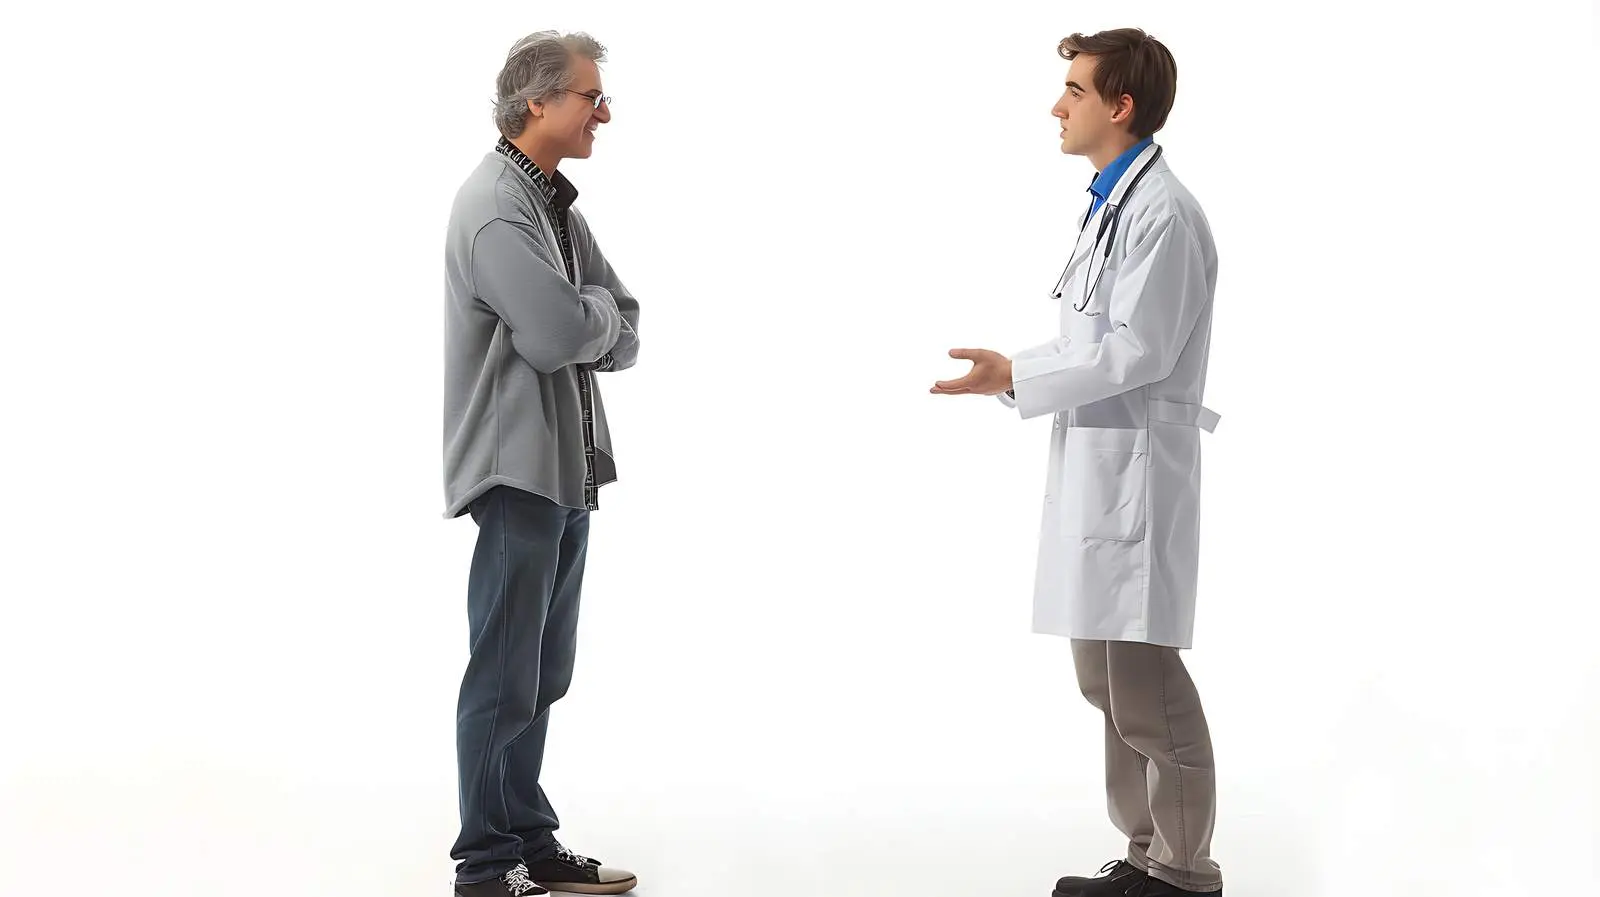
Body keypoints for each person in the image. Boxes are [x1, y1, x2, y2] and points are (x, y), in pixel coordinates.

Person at [930, 28, 1225, 897]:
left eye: (1074, 90)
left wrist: (1017, 373)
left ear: (1118, 106)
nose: (1058, 107)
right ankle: (1143, 853)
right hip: (1101, 465)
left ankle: (1184, 870)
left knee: (1147, 688)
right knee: (1104, 682)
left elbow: (1136, 349)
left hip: (1135, 474)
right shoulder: (1112, 203)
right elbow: (1091, 338)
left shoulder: (1164, 214)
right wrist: (1015, 376)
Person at [441, 29, 640, 897]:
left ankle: (528, 835)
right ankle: (485, 863)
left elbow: (625, 322)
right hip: (516, 472)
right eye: (590, 96)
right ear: (537, 104)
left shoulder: (554, 206)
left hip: (567, 469)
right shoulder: (495, 206)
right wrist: (586, 314)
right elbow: (563, 332)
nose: (605, 110)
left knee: (542, 669)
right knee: (503, 671)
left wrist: (586, 313)